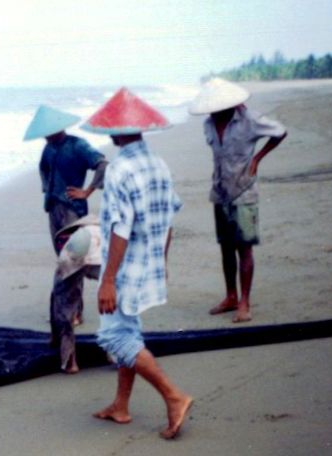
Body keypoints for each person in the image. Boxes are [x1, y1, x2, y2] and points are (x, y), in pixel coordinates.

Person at [81, 88, 193, 440]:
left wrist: (109, 279)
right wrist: (162, 260)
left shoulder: (119, 169)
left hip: (125, 267)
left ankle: (174, 397)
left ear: (115, 132)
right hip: (149, 262)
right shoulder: (158, 164)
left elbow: (119, 228)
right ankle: (121, 405)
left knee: (114, 335)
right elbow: (169, 217)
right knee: (128, 330)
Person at [188, 78, 287, 323]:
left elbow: (280, 132)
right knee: (225, 247)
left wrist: (258, 159)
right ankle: (231, 296)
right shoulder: (208, 125)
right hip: (220, 191)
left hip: (244, 191)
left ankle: (245, 302)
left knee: (244, 248)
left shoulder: (249, 120)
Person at [24, 105, 108, 327]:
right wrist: (47, 189)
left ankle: (75, 312)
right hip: (53, 209)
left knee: (75, 260)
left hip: (73, 211)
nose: (44, 136)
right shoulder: (48, 149)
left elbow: (102, 164)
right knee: (63, 260)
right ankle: (71, 308)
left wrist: (87, 191)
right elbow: (43, 168)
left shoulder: (77, 145)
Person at [50, 215, 101, 374]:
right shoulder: (108, 227)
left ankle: (70, 362)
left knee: (63, 302)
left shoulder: (72, 237)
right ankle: (115, 353)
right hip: (104, 255)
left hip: (77, 251)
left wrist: (54, 337)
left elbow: (58, 300)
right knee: (114, 304)